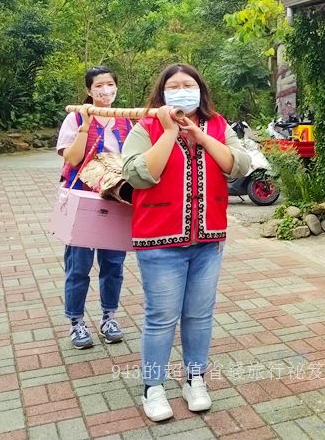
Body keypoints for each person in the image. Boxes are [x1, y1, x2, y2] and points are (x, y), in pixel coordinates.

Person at [121, 63, 251, 422]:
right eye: (173, 85)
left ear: (201, 90)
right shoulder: (145, 126)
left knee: (199, 315)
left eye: (188, 84)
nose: (181, 90)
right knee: (161, 317)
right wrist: (167, 133)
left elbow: (238, 165)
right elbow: (138, 175)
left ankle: (195, 379)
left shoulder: (218, 125)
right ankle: (153, 386)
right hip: (160, 242)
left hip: (207, 241)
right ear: (162, 92)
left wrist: (201, 137)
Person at [56, 66, 132, 349]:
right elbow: (73, 159)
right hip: (82, 198)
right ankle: (76, 322)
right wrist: (86, 125)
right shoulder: (75, 117)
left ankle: (109, 317)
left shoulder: (128, 121)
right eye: (99, 86)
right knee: (78, 265)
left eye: (110, 84)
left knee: (113, 264)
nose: (105, 90)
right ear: (89, 91)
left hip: (115, 199)